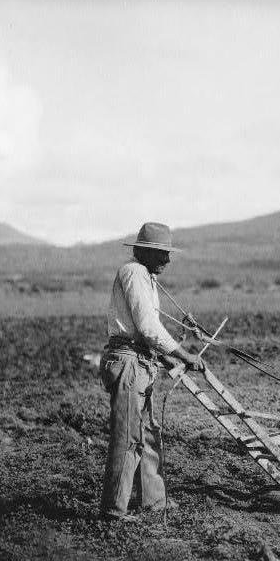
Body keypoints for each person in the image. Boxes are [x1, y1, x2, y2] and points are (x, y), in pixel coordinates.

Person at [99, 222, 206, 522]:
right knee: (129, 437)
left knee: (146, 434)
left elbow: (147, 331)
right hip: (128, 363)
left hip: (141, 362)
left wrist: (172, 359)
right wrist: (184, 354)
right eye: (162, 253)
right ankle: (113, 511)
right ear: (143, 251)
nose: (167, 260)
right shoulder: (133, 272)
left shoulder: (145, 276)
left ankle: (153, 501)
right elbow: (147, 327)